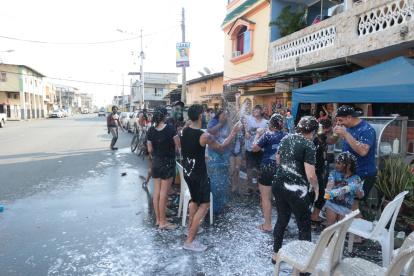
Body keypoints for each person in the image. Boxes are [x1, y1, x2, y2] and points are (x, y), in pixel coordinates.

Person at [181, 104, 240, 251]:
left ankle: (191, 228)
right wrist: (233, 133)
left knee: (194, 200)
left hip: (188, 172)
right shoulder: (204, 136)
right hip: (199, 175)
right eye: (204, 114)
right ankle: (189, 241)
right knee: (205, 205)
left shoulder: (184, 131)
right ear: (201, 116)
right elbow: (221, 147)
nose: (207, 116)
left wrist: (202, 155)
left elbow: (189, 147)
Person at [272, 116, 319, 264]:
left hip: (279, 184)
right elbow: (311, 175)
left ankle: (275, 254)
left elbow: (278, 159)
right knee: (304, 224)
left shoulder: (287, 138)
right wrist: (316, 189)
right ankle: (303, 263)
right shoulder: (308, 144)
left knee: (282, 219)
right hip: (297, 190)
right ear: (312, 131)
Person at [333, 105, 376, 202]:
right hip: (349, 173)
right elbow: (336, 142)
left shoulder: (366, 130)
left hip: (363, 174)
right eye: (337, 120)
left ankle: (357, 217)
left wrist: (346, 134)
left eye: (340, 120)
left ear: (349, 117)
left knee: (352, 204)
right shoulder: (347, 127)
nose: (338, 123)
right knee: (346, 204)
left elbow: (363, 151)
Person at [147, 106, 180, 230]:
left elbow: (150, 149)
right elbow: (178, 146)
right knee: (164, 194)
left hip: (156, 162)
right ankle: (163, 222)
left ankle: (158, 219)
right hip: (167, 163)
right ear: (165, 116)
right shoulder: (171, 129)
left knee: (156, 192)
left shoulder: (151, 130)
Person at [252, 113, 286, 232]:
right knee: (281, 198)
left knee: (266, 198)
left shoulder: (267, 135)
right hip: (281, 170)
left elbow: (254, 148)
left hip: (267, 169)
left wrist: (257, 134)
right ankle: (282, 225)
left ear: (271, 124)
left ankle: (267, 225)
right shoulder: (287, 136)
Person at [325, 152, 364, 226]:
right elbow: (330, 183)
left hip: (346, 207)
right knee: (330, 225)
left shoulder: (356, 179)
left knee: (341, 228)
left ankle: (338, 237)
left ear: (348, 165)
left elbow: (361, 196)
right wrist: (328, 189)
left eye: (339, 163)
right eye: (335, 162)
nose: (336, 165)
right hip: (332, 203)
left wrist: (357, 189)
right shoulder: (334, 173)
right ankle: (329, 237)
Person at [206, 109, 232, 214]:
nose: (225, 116)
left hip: (224, 153)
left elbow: (231, 135)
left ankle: (223, 202)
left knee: (224, 179)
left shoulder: (227, 123)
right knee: (216, 179)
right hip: (214, 153)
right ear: (219, 115)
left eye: (226, 115)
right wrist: (220, 123)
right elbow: (210, 131)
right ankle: (214, 205)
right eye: (223, 114)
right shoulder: (213, 121)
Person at [310, 118, 334, 225]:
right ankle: (312, 216)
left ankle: (313, 215)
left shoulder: (320, 138)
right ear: (326, 129)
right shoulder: (316, 139)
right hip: (314, 170)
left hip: (318, 169)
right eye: (329, 131)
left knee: (320, 193)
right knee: (318, 193)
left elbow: (331, 141)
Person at [244, 105, 268, 195]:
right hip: (249, 149)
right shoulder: (249, 119)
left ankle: (258, 188)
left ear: (261, 111)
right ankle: (249, 188)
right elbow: (240, 115)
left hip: (260, 149)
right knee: (249, 169)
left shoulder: (266, 122)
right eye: (254, 109)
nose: (255, 111)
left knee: (259, 170)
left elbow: (267, 134)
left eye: (258, 109)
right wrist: (246, 131)